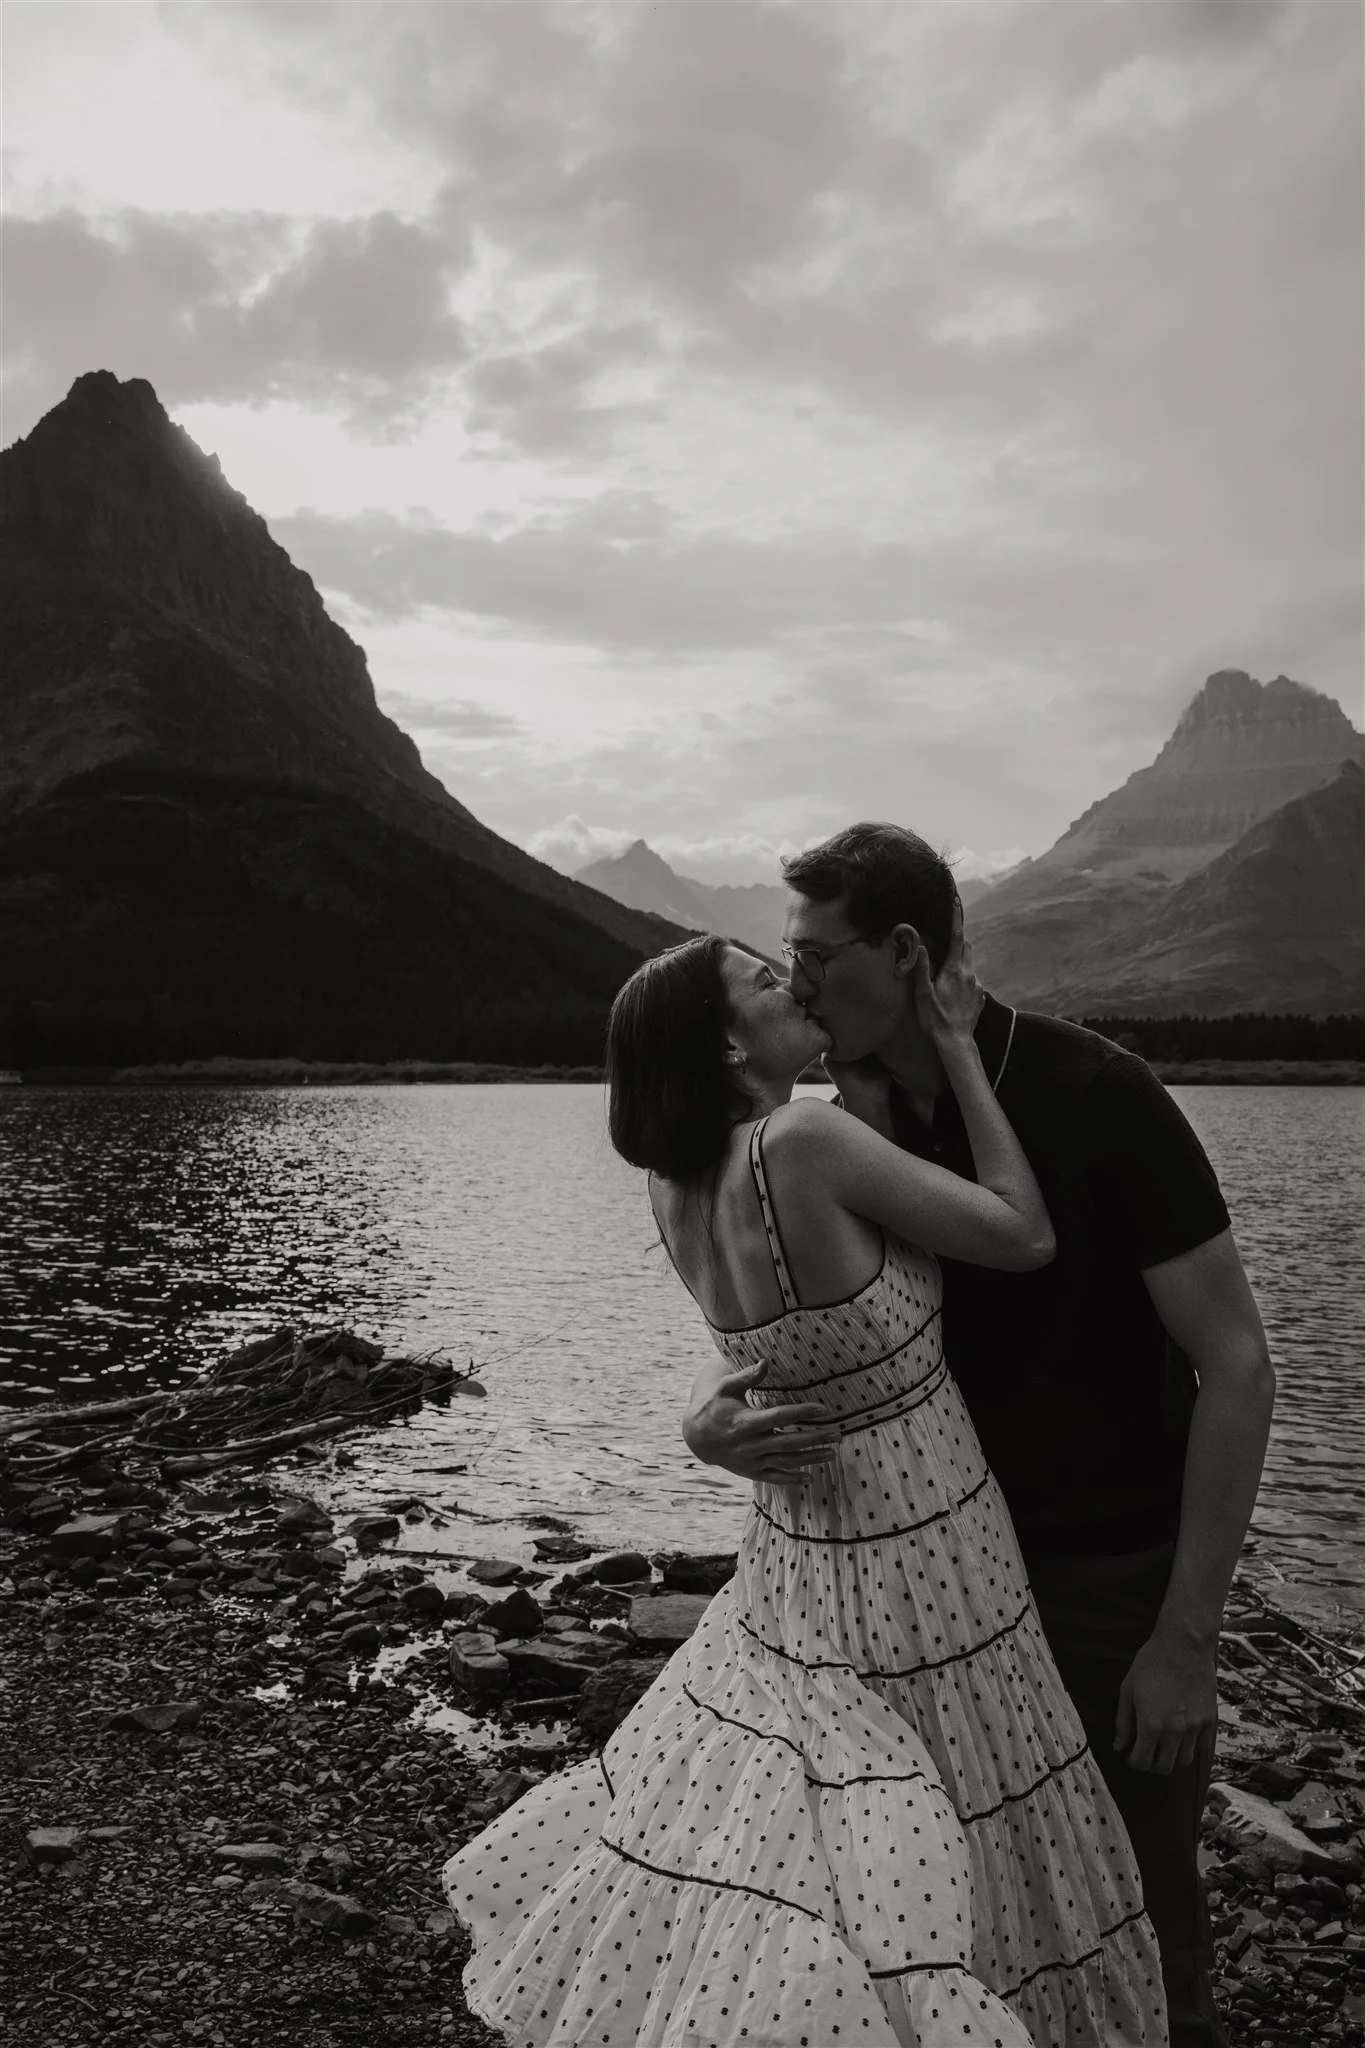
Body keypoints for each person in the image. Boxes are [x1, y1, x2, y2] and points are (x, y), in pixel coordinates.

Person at [444, 927, 1168, 2047]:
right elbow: (1024, 1235)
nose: (793, 987)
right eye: (765, 983)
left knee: (824, 1828)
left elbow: (763, 1347)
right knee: (974, 1793)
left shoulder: (673, 1178)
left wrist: (703, 1422)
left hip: (796, 1543)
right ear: (731, 1043)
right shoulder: (803, 1138)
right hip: (925, 1537)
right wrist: (963, 1050)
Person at [683, 823, 1275, 2048]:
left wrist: (1185, 1635)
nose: (795, 982)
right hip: (919, 1605)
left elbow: (1238, 1365)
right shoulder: (840, 1119)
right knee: (949, 1933)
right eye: (783, 964)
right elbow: (812, 1336)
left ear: (904, 951)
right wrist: (708, 1418)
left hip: (1102, 1583)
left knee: (1145, 1931)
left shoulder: (1096, 1092)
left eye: (814, 955)